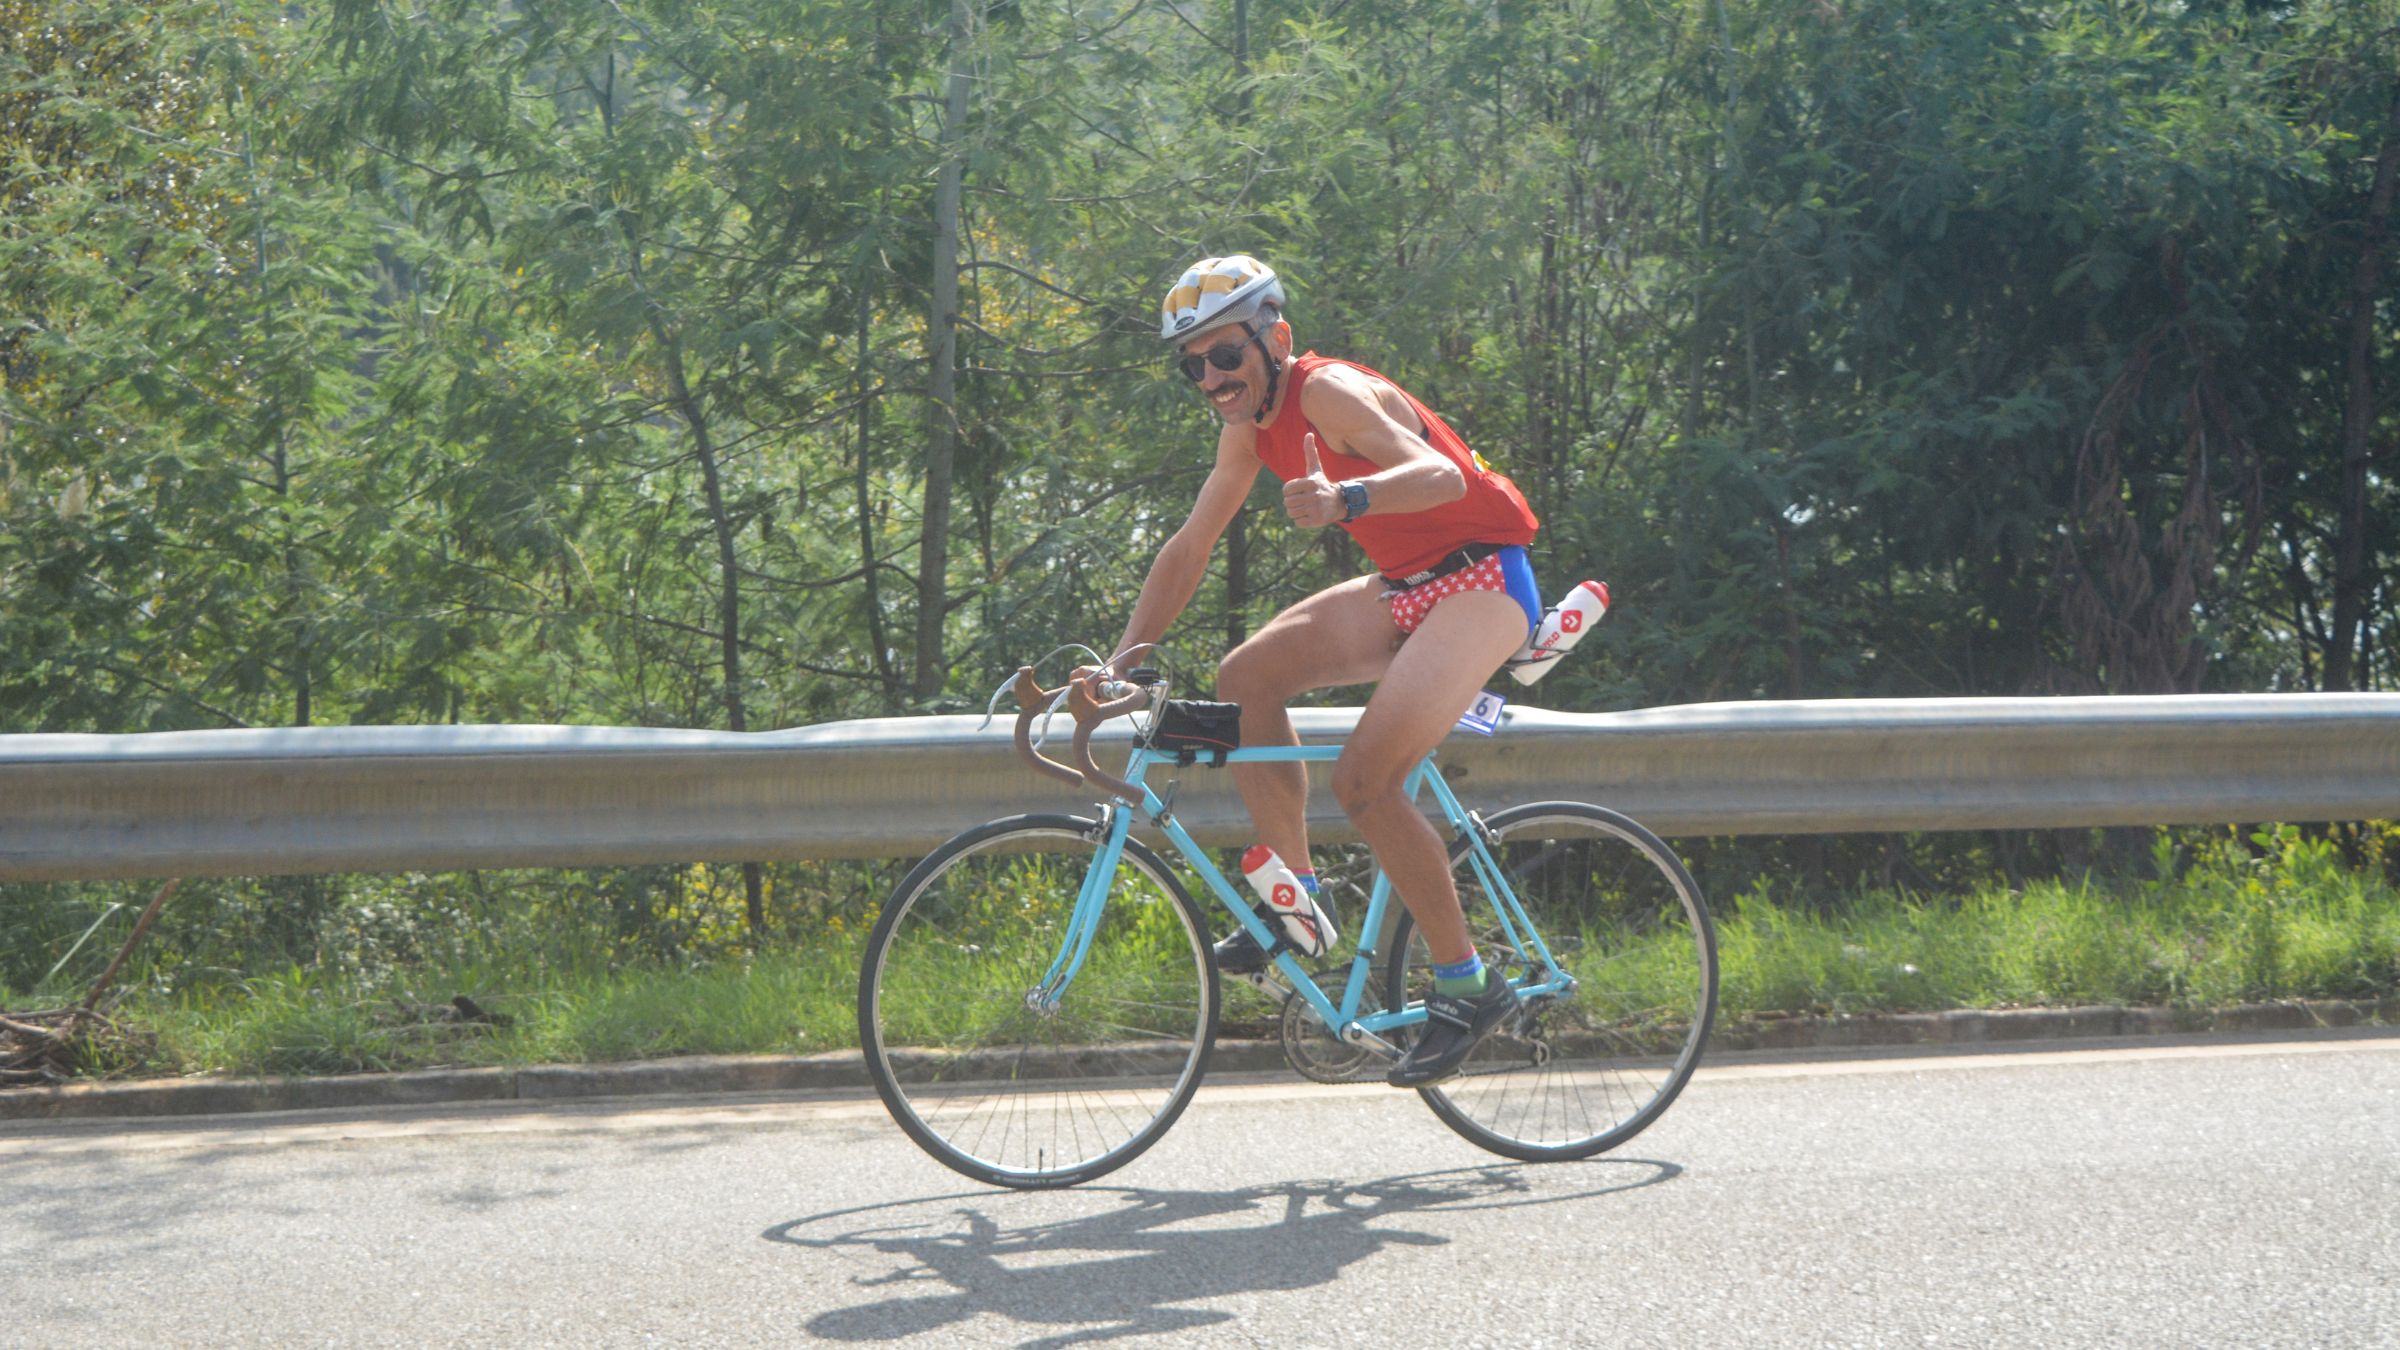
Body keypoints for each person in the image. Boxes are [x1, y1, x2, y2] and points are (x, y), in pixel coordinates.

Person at [1081, 254, 1546, 1087]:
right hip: (1409, 585)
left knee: (1365, 784)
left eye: (1226, 355)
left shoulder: (1325, 391)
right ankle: (1299, 902)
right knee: (1247, 676)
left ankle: (1468, 986)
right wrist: (1125, 661)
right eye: (1193, 364)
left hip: (1481, 579)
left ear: (1276, 338)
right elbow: (1192, 545)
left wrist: (1346, 503)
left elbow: (1447, 476)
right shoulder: (1248, 424)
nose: (1211, 378)